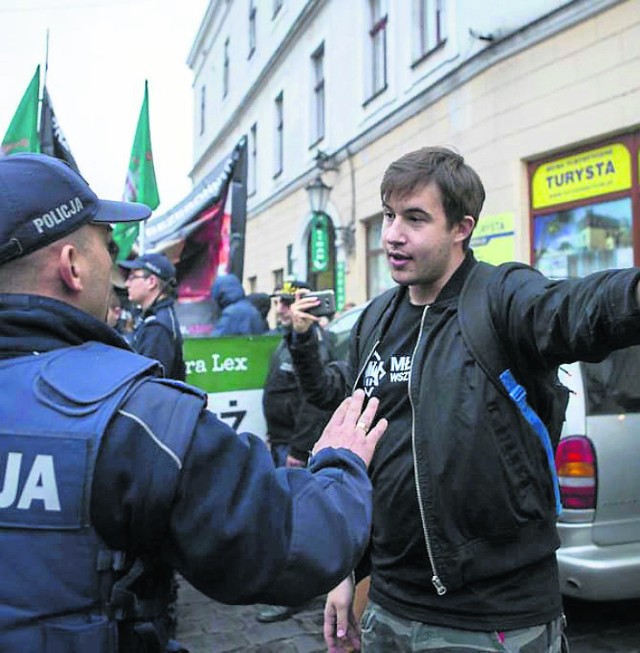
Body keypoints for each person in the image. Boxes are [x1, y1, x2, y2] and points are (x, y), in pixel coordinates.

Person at [0, 153, 388, 653]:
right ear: (72, 267)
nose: (119, 273)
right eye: (109, 248)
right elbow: (294, 544)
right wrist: (342, 463)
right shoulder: (137, 417)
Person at [286, 146, 640, 653]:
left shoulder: (501, 297)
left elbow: (574, 309)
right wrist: (345, 569)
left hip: (491, 619)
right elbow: (353, 432)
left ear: (461, 228)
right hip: (388, 604)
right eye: (389, 216)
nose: (391, 235)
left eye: (414, 218)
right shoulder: (376, 320)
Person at [256, 280, 337, 624]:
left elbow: (313, 399)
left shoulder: (311, 341)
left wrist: (300, 448)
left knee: (295, 522)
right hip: (284, 440)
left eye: (290, 301)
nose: (282, 307)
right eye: (279, 300)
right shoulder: (288, 338)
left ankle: (294, 591)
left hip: (297, 445)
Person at [120, 253, 186, 381]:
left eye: (132, 277)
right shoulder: (155, 317)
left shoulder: (157, 327)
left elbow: (149, 383)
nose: (127, 283)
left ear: (151, 282)